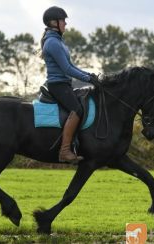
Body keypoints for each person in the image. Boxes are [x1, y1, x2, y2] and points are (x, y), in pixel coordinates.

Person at [40, 6, 98, 164]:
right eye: (62, 21)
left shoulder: (58, 41)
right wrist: (87, 78)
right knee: (77, 109)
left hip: (64, 84)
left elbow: (71, 66)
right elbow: (66, 69)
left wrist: (89, 76)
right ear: (54, 23)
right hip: (57, 85)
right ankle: (65, 151)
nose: (65, 24)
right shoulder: (52, 42)